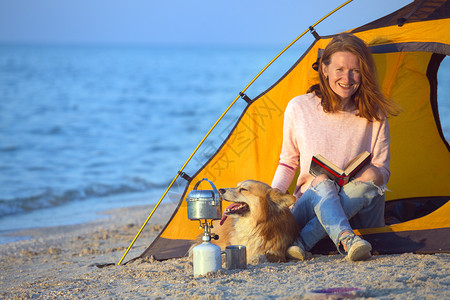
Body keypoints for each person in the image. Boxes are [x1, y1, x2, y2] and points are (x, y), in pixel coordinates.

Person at [271, 33, 400, 261]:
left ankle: (303, 241)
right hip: (311, 203)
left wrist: (367, 175)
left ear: (364, 73)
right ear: (324, 69)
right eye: (339, 69)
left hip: (357, 204)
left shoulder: (375, 114)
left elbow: (383, 170)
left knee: (374, 173)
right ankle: (347, 240)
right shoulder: (299, 108)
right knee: (321, 181)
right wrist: (272, 201)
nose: (347, 78)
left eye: (355, 70)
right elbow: (288, 161)